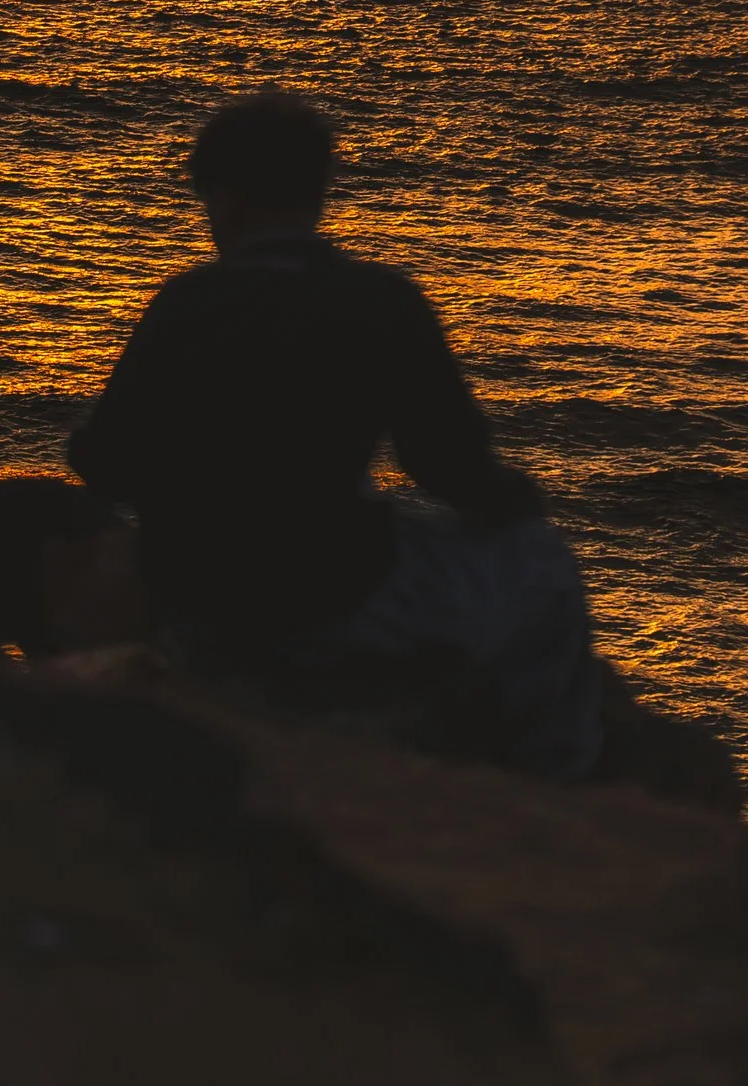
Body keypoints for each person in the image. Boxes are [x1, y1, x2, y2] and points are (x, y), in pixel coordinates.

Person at [69, 91, 605, 779]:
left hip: (201, 604)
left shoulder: (184, 303)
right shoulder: (381, 300)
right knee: (544, 567)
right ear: (319, 193)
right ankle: (556, 782)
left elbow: (104, 460)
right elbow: (449, 467)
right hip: (334, 598)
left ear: (223, 199)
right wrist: (517, 500)